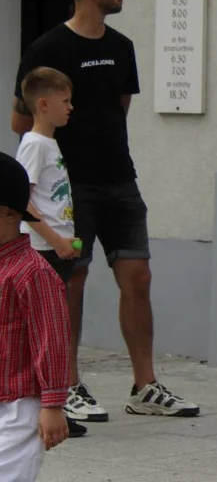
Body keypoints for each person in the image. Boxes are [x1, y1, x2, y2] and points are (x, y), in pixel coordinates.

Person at [11, 0, 198, 421]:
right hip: (70, 190)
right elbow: (22, 120)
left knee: (138, 277)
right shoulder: (46, 49)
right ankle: (68, 384)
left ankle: (145, 386)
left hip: (121, 180)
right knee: (70, 282)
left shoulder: (122, 46)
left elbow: (120, 108)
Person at [14, 67, 87, 439]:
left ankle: (53, 404)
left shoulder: (50, 144)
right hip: (43, 250)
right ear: (43, 104)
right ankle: (47, 405)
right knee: (46, 330)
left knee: (54, 326)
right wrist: (55, 240)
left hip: (57, 248)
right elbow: (23, 199)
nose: (70, 107)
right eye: (65, 101)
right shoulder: (34, 145)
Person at [0, 152, 71, 479]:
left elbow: (52, 341)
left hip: (21, 408)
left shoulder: (32, 273)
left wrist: (53, 404)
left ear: (6, 213)